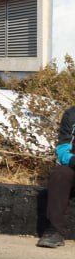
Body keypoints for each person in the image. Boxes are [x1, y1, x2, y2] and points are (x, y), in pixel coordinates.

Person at [38, 106, 75, 248]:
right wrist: (72, 161)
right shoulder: (71, 114)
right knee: (59, 175)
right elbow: (63, 149)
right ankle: (54, 231)